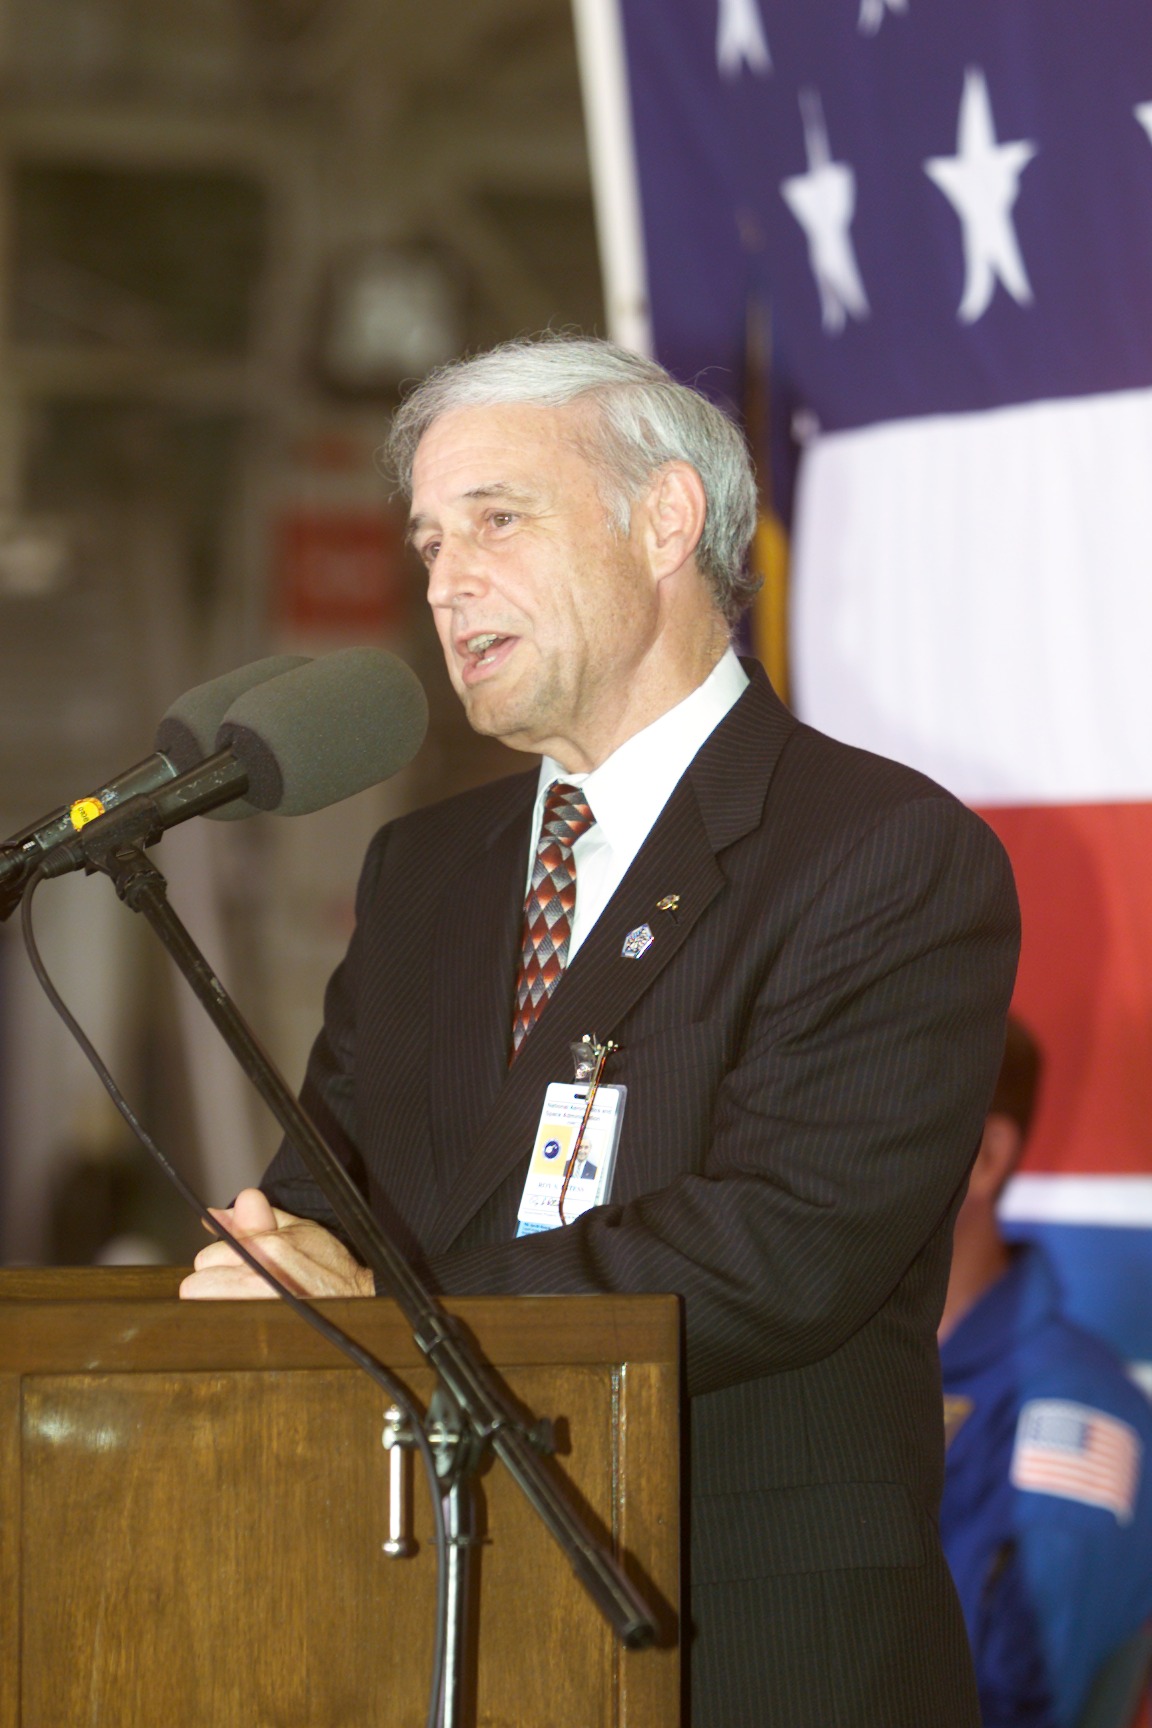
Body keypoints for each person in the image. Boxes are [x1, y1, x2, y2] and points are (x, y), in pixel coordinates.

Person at [181, 335, 1020, 1726]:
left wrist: (390, 1315)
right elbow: (327, 1197)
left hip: (742, 1645)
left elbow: (779, 1249)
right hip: (433, 1626)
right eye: (430, 541)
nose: (445, 582)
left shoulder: (879, 850)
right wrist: (272, 1262)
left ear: (665, 521)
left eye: (497, 521)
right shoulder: (423, 870)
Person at [940, 1017, 1152, 1728]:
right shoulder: (823, 1375)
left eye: (881, 1127)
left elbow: (1015, 1706)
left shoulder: (1076, 1413)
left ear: (987, 1157)